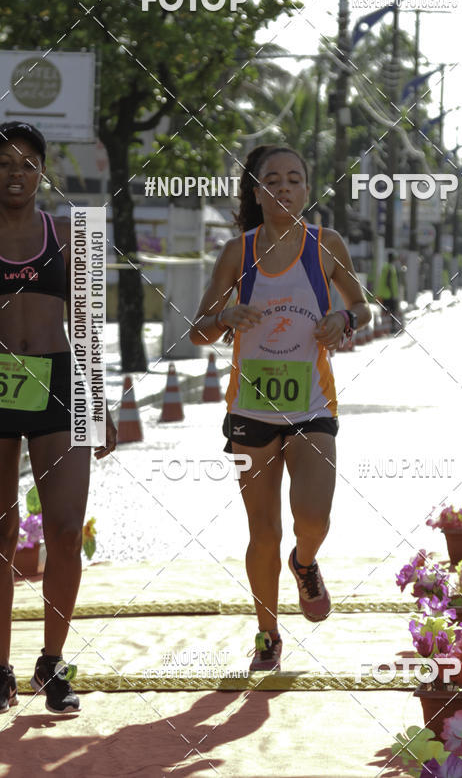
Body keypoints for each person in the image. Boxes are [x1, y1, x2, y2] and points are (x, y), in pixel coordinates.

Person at [189, 144, 371, 671]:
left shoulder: (325, 245)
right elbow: (199, 330)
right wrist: (227, 314)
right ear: (256, 190)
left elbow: (359, 303)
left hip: (312, 405)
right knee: (262, 531)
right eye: (273, 180)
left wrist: (344, 320)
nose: (284, 188)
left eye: (295, 179)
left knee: (313, 516)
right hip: (250, 408)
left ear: (307, 190)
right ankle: (267, 633)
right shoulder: (237, 252)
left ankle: (306, 561)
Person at [0, 122, 117, 715]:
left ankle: (53, 664)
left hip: (60, 385)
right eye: (3, 163)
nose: (15, 174)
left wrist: (102, 401)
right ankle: (0, 670)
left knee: (66, 529)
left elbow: (90, 328)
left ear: (43, 171)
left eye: (26, 163)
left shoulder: (75, 234)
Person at [376, 251, 400, 329]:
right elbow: (388, 281)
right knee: (392, 311)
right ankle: (392, 328)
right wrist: (393, 293)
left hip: (384, 293)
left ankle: (384, 327)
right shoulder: (390, 268)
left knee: (385, 311)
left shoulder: (385, 266)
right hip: (389, 294)